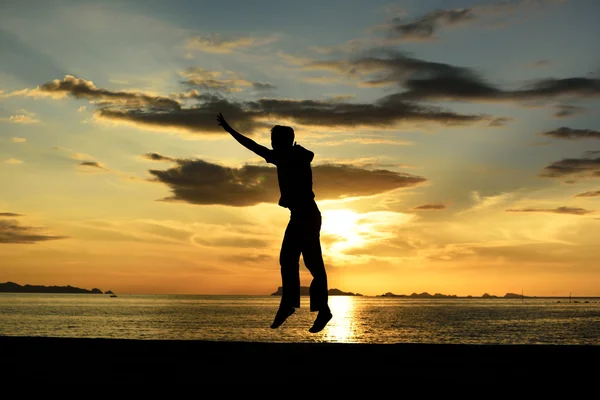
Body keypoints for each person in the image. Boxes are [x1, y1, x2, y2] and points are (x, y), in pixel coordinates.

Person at [216, 113, 332, 333]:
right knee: (304, 262)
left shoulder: (291, 156)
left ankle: (296, 305)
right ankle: (311, 307)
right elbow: (253, 146)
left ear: (281, 142)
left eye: (273, 142)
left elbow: (305, 155)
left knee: (298, 261)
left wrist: (230, 130)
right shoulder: (289, 155)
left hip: (305, 214)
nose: (271, 147)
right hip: (303, 215)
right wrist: (231, 131)